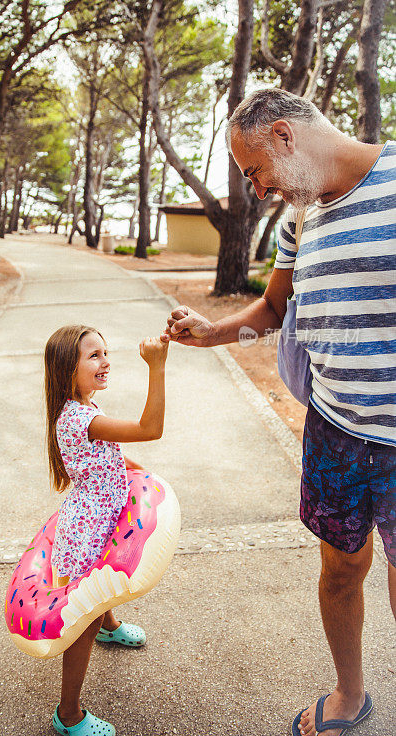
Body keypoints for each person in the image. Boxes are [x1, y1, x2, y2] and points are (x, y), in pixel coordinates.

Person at [161, 88, 395, 736]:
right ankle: (349, 694)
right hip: (334, 431)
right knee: (338, 570)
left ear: (285, 136)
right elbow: (272, 310)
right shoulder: (300, 220)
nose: (257, 190)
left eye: (252, 170)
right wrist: (212, 334)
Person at [44, 324, 169, 736]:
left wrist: (136, 474)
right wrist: (157, 366)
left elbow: (107, 456)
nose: (106, 361)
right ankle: (68, 714)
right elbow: (150, 429)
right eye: (94, 355)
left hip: (95, 519)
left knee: (103, 583)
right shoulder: (85, 418)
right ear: (68, 369)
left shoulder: (77, 409)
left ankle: (110, 627)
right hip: (88, 532)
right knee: (85, 618)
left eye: (105, 352)